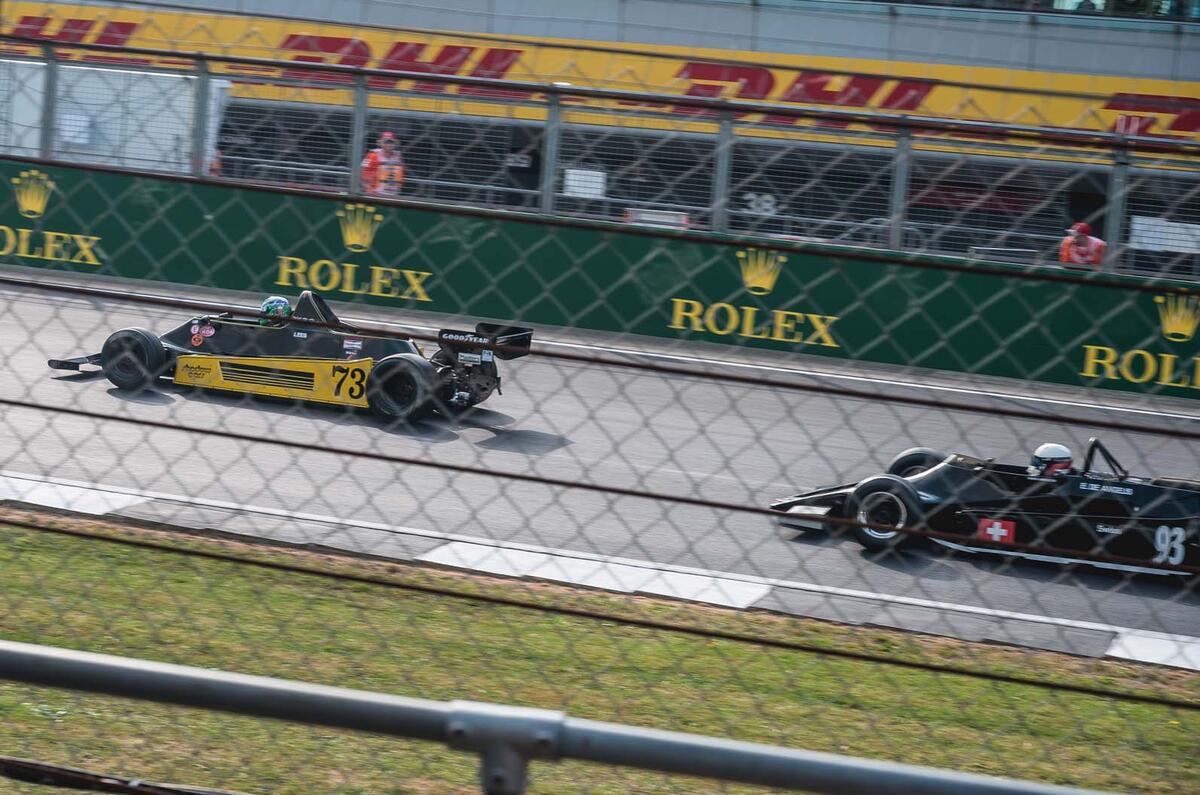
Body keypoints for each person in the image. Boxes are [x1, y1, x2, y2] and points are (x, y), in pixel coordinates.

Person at [361, 131, 406, 196]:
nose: (389, 144)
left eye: (391, 142)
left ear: (395, 143)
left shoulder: (398, 156)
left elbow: (401, 175)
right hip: (375, 193)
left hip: (393, 194)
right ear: (381, 143)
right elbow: (364, 173)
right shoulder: (373, 155)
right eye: (386, 142)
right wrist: (369, 190)